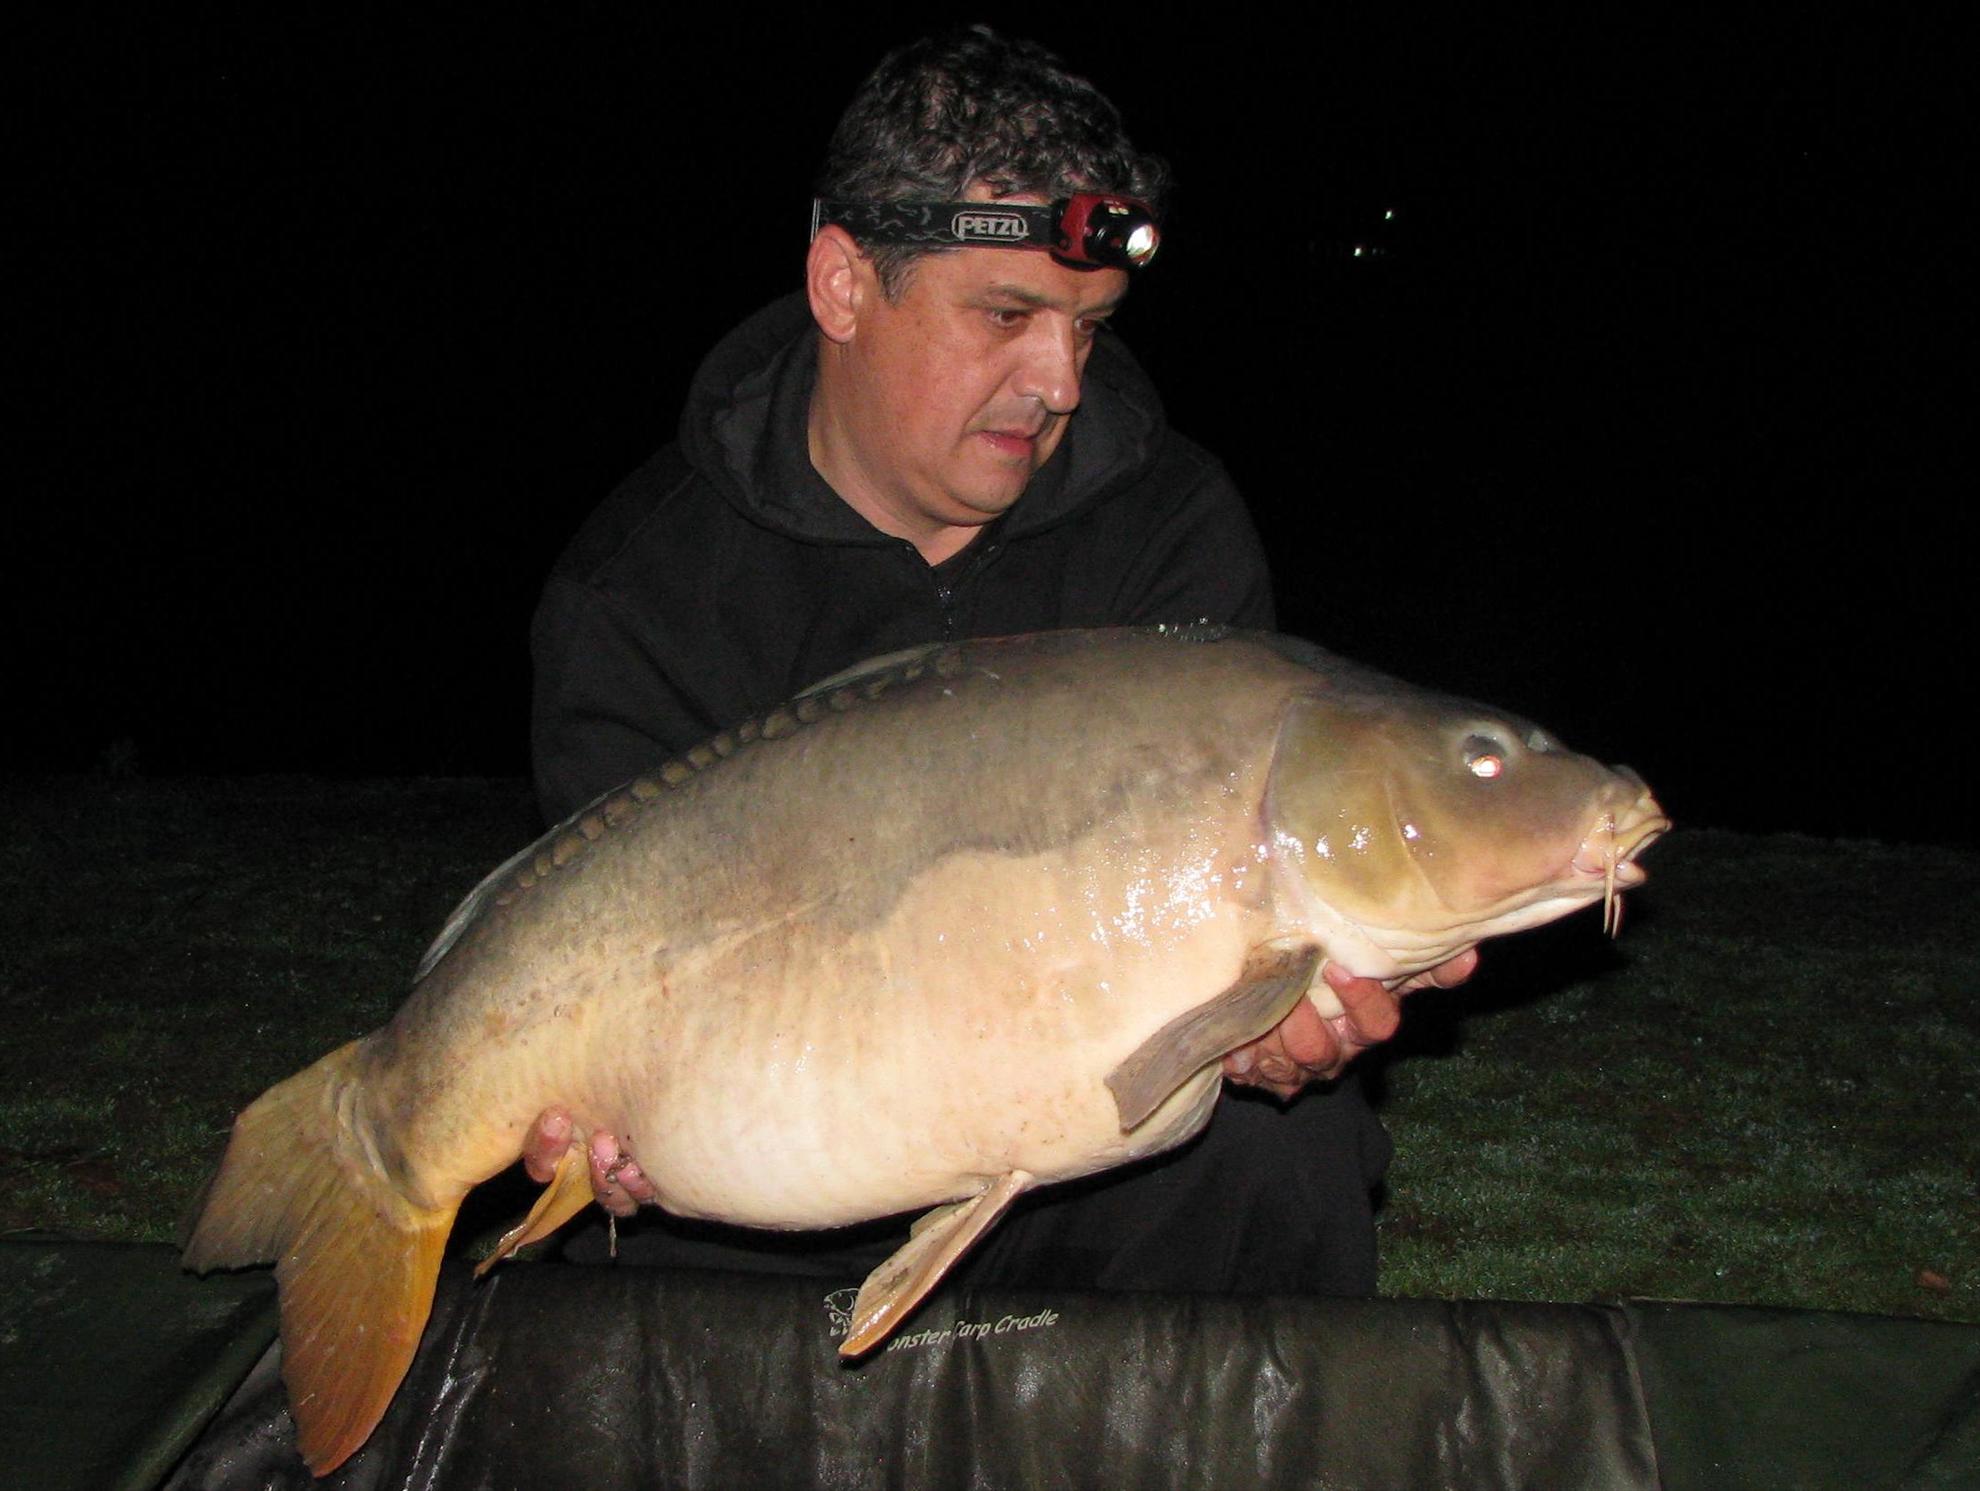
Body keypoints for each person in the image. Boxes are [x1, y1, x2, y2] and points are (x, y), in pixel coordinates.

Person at [522, 26, 1473, 1295]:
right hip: (782, 1178)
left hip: (1098, 1152)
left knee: (1288, 1153)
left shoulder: (1169, 528)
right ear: (845, 287)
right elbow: (594, 963)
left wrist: (1266, 1040)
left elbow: (1228, 941)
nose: (1061, 381)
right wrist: (601, 1124)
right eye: (1009, 317)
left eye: (1090, 326)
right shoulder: (639, 590)